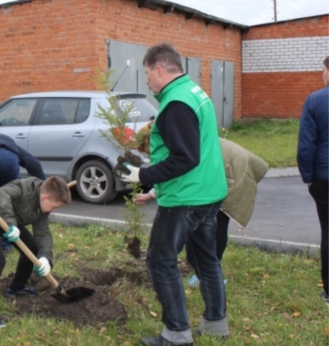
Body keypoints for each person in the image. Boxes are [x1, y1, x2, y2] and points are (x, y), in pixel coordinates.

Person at [120, 43, 229, 346]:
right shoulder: (194, 92)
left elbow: (185, 157)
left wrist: (142, 175)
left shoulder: (175, 103)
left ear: (159, 69)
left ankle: (177, 334)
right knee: (205, 258)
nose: (147, 81)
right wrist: (154, 187)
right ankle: (216, 322)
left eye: (146, 74)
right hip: (208, 193)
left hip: (185, 198)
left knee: (160, 260)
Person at [136, 137, 269, 285]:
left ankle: (212, 273)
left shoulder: (175, 145)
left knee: (219, 218)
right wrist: (150, 195)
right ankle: (207, 270)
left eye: (147, 153)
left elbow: (177, 174)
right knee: (204, 218)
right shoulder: (175, 140)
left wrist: (151, 193)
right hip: (223, 162)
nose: (149, 156)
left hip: (231, 168)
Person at [0, 176, 70, 327]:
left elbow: (43, 234)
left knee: (33, 249)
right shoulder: (24, 189)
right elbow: (1, 195)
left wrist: (45, 258)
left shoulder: (41, 208)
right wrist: (11, 223)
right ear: (45, 198)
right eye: (54, 207)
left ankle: (16, 287)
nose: (54, 210)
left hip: (11, 222)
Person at [297, 55, 329, 306]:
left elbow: (306, 144)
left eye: (323, 70)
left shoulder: (315, 101)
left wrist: (308, 176)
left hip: (324, 177)